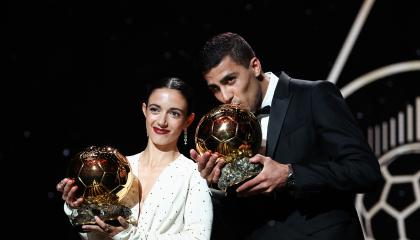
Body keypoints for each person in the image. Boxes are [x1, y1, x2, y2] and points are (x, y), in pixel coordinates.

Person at [189, 32, 384, 240]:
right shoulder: (224, 131)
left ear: (255, 66)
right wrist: (217, 184)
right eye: (215, 89)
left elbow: (365, 171)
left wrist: (290, 175)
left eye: (230, 80)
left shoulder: (314, 95)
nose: (225, 96)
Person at [57, 77, 213, 240]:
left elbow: (199, 237)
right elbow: (94, 234)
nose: (162, 121)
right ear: (144, 110)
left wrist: (132, 236)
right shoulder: (120, 167)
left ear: (188, 120)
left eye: (174, 113)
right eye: (155, 109)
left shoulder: (194, 175)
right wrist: (75, 208)